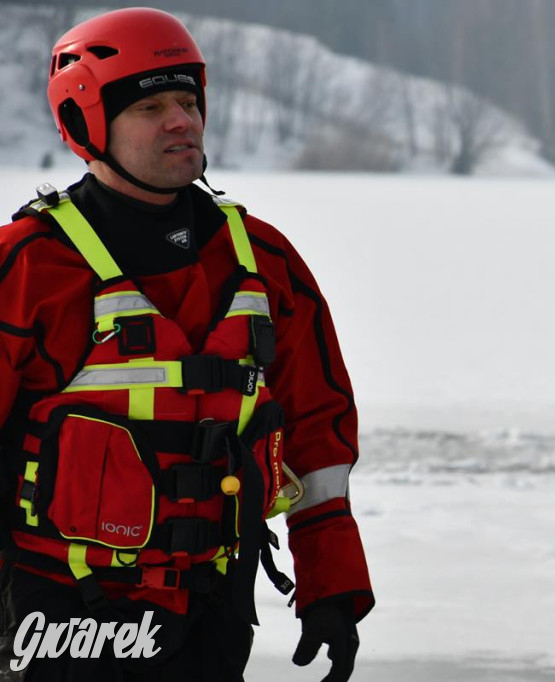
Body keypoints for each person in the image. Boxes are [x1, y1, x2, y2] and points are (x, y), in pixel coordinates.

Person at [0, 7, 372, 680]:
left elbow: (317, 441)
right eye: (150, 106)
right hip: (58, 620)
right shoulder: (29, 268)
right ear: (87, 123)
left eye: (188, 100)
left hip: (213, 615)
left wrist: (333, 585)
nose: (182, 120)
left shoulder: (262, 260)